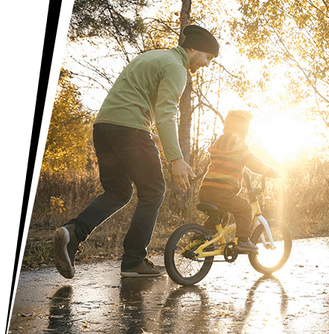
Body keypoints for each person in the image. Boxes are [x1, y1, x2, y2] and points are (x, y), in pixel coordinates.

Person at [53, 24, 219, 279]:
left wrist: (149, 133)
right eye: (208, 57)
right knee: (154, 191)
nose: (207, 64)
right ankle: (133, 261)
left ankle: (73, 233)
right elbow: (166, 113)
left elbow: (131, 99)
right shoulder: (177, 68)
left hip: (103, 127)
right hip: (129, 129)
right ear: (194, 49)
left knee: (118, 191)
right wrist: (176, 158)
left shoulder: (152, 56)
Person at [197, 110, 279, 253]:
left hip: (205, 190)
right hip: (222, 192)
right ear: (242, 129)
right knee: (244, 209)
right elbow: (254, 163)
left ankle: (204, 237)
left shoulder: (219, 142)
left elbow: (225, 163)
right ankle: (243, 240)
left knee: (221, 216)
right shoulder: (239, 145)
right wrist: (270, 171)